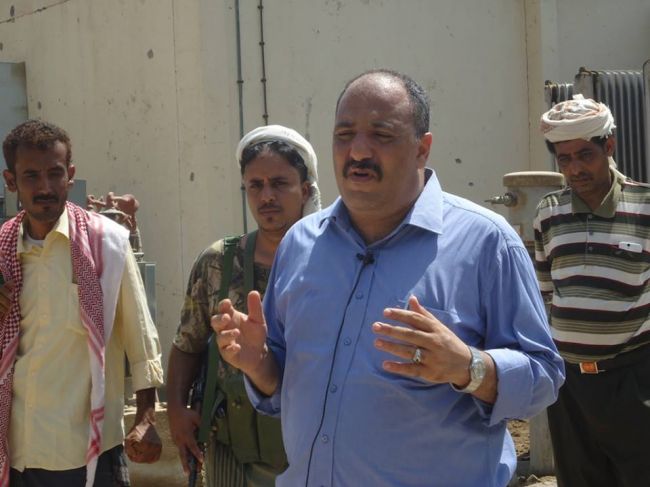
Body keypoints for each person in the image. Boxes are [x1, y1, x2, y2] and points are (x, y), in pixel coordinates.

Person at [213, 69, 564, 487]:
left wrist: (469, 367)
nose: (358, 151)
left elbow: (544, 377)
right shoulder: (300, 244)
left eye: (381, 135)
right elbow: (282, 382)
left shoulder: (486, 243)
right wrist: (259, 365)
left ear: (422, 148)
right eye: (344, 135)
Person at [0, 120, 164, 487]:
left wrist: (146, 418)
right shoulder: (3, 251)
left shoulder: (107, 244)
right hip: (16, 451)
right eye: (31, 176)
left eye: (54, 173)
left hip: (87, 451)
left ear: (70, 176)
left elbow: (141, 339)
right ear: (11, 181)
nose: (45, 187)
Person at [167, 125, 321, 486]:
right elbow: (188, 343)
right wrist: (175, 409)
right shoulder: (219, 262)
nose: (267, 196)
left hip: (312, 449)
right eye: (255, 185)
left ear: (306, 190)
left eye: (279, 183)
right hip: (234, 451)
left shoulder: (332, 262)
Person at [534, 95, 650, 487]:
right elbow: (546, 293)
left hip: (633, 383)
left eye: (585, 155)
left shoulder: (645, 206)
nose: (575, 169)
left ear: (609, 146)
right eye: (564, 159)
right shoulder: (548, 213)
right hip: (570, 388)